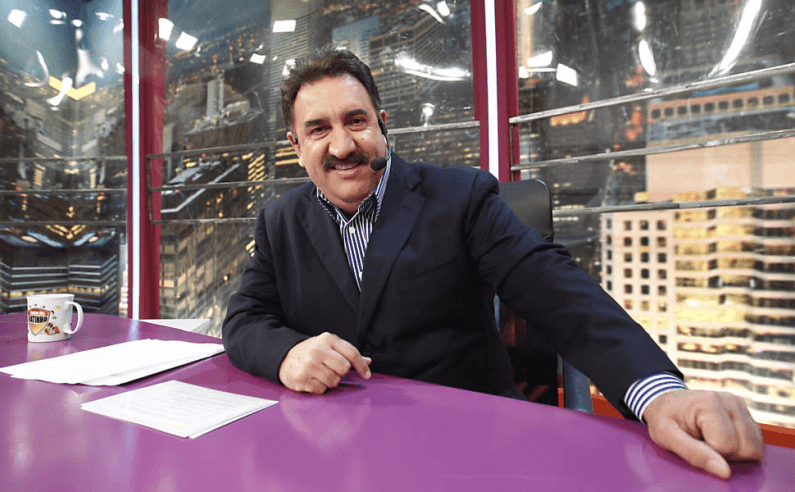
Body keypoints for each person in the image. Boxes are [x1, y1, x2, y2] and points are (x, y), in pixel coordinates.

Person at [222, 47, 763, 479]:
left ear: (383, 125)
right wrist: (286, 353)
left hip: (467, 447)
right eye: (319, 129)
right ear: (296, 147)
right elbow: (245, 319)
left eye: (356, 121)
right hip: (339, 451)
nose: (342, 145)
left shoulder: (460, 198)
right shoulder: (280, 221)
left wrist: (660, 395)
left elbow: (554, 289)